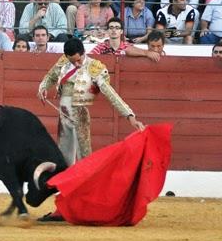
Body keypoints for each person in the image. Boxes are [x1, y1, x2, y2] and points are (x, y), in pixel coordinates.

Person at [37, 38, 145, 221]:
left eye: (78, 60)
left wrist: (130, 116)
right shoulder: (64, 61)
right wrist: (42, 88)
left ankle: (87, 207)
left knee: (85, 164)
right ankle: (64, 209)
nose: (76, 64)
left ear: (83, 53)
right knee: (65, 165)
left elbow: (111, 94)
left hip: (79, 118)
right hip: (64, 117)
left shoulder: (94, 67)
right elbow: (51, 76)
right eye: (73, 61)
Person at [90, 17, 161, 62]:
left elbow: (129, 50)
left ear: (121, 31)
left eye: (117, 28)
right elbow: (89, 58)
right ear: (107, 30)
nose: (114, 30)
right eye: (111, 28)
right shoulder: (100, 47)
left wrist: (147, 53)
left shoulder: (128, 46)